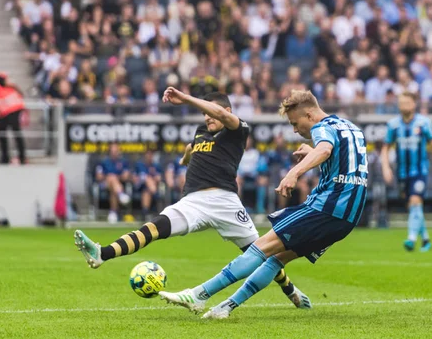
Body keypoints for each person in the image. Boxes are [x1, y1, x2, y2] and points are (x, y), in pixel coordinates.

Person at [74, 89, 311, 309]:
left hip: (225, 203)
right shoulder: (201, 132)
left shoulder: (238, 129)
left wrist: (186, 98)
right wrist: (186, 157)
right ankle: (102, 254)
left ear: (226, 112)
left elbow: (217, 113)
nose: (207, 118)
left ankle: (291, 291)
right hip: (193, 202)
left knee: (261, 253)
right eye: (204, 114)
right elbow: (192, 146)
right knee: (153, 228)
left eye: (209, 113)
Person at [159, 90, 367, 319]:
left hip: (325, 208)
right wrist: (313, 151)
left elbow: (325, 148)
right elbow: (343, 163)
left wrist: (294, 173)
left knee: (261, 247)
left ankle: (199, 294)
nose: (296, 130)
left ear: (309, 115)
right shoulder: (350, 127)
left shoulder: (320, 128)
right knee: (278, 259)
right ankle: (225, 308)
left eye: (295, 123)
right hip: (348, 217)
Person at [380, 92, 432, 252]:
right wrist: (385, 167)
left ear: (414, 104)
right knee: (413, 205)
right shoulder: (393, 125)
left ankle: (411, 239)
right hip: (402, 172)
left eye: (406, 102)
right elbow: (385, 148)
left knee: (416, 201)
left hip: (420, 171)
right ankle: (425, 240)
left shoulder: (424, 123)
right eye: (401, 103)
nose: (403, 105)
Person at [95, 143, 131, 224]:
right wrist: (110, 177)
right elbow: (99, 176)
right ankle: (121, 194)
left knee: (113, 190)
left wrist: (115, 177)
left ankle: (113, 212)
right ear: (109, 151)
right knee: (111, 178)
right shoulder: (103, 162)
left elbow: (126, 176)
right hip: (104, 184)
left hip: (118, 185)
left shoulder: (123, 162)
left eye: (116, 151)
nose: (114, 152)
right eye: (112, 151)